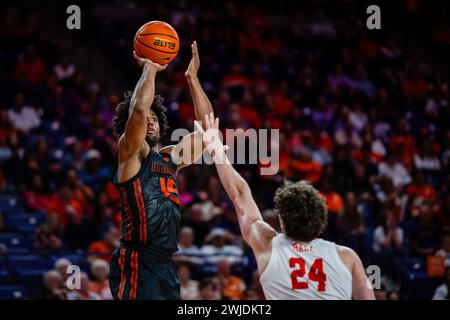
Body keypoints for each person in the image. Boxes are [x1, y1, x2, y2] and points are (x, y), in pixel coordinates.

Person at [194, 113, 375, 300]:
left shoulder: (266, 243)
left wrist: (217, 151)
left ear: (281, 219)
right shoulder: (347, 257)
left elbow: (240, 193)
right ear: (321, 219)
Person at [109, 42, 215, 300]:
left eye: (155, 120)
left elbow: (207, 131)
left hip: (165, 262)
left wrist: (192, 79)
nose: (150, 122)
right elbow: (139, 110)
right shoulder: (130, 151)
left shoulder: (170, 158)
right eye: (146, 120)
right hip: (137, 257)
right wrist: (150, 68)